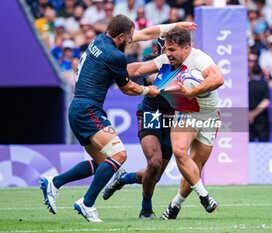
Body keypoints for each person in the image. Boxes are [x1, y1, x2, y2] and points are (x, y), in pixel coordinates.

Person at [40, 15, 197, 222]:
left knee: (103, 162)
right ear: (121, 36)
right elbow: (128, 88)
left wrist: (176, 25)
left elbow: (146, 33)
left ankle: (55, 182)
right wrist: (147, 90)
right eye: (130, 37)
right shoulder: (115, 55)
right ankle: (87, 203)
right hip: (89, 110)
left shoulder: (100, 40)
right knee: (120, 155)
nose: (132, 41)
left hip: (78, 108)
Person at [110, 27, 224, 219]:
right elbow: (138, 69)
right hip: (162, 112)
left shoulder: (199, 59)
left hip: (208, 115)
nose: (167, 54)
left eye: (172, 50)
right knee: (167, 157)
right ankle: (201, 196)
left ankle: (174, 206)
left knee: (193, 167)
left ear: (186, 49)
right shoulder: (160, 60)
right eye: (165, 49)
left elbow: (218, 78)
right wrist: (106, 67)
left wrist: (193, 92)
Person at [103, 37, 174, 220]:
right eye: (169, 48)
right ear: (161, 49)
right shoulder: (152, 64)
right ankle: (146, 209)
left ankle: (124, 178)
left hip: (171, 119)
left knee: (154, 176)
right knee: (154, 163)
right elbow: (155, 82)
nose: (172, 52)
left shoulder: (188, 64)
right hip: (151, 114)